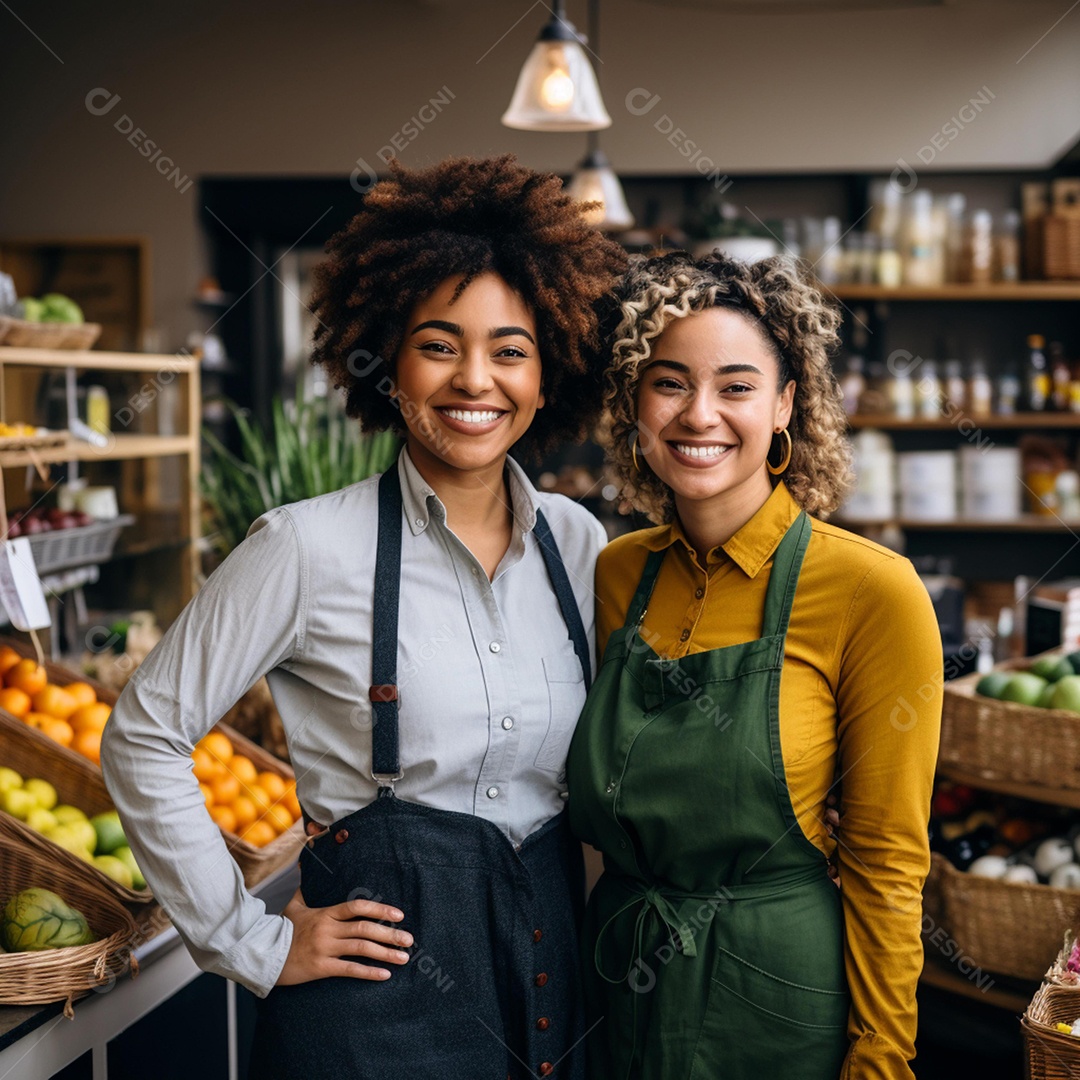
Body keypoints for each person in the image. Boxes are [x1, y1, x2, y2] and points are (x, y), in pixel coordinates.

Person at [101, 155, 626, 1079]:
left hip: (549, 996)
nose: (476, 379)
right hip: (367, 1022)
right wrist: (249, 941)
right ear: (388, 364)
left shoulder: (580, 547)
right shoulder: (306, 548)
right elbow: (144, 733)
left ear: (548, 377)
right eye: (438, 344)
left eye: (510, 350)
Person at [566, 250, 942, 1080]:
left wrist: (881, 1060)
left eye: (736, 387)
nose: (700, 414)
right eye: (669, 383)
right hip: (619, 984)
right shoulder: (615, 574)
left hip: (775, 997)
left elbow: (886, 862)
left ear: (784, 406)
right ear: (634, 402)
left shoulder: (869, 590)